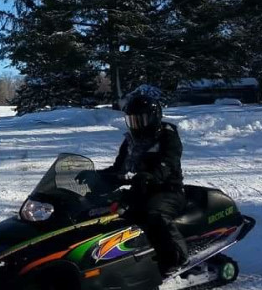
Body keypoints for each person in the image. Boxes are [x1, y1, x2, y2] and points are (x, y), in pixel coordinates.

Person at [78, 89, 188, 276]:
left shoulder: (167, 136)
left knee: (154, 214)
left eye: (141, 120)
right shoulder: (130, 141)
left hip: (167, 190)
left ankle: (174, 258)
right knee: (103, 211)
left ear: (154, 118)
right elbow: (118, 168)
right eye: (132, 120)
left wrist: (151, 175)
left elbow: (168, 162)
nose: (136, 125)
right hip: (139, 189)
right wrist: (94, 177)